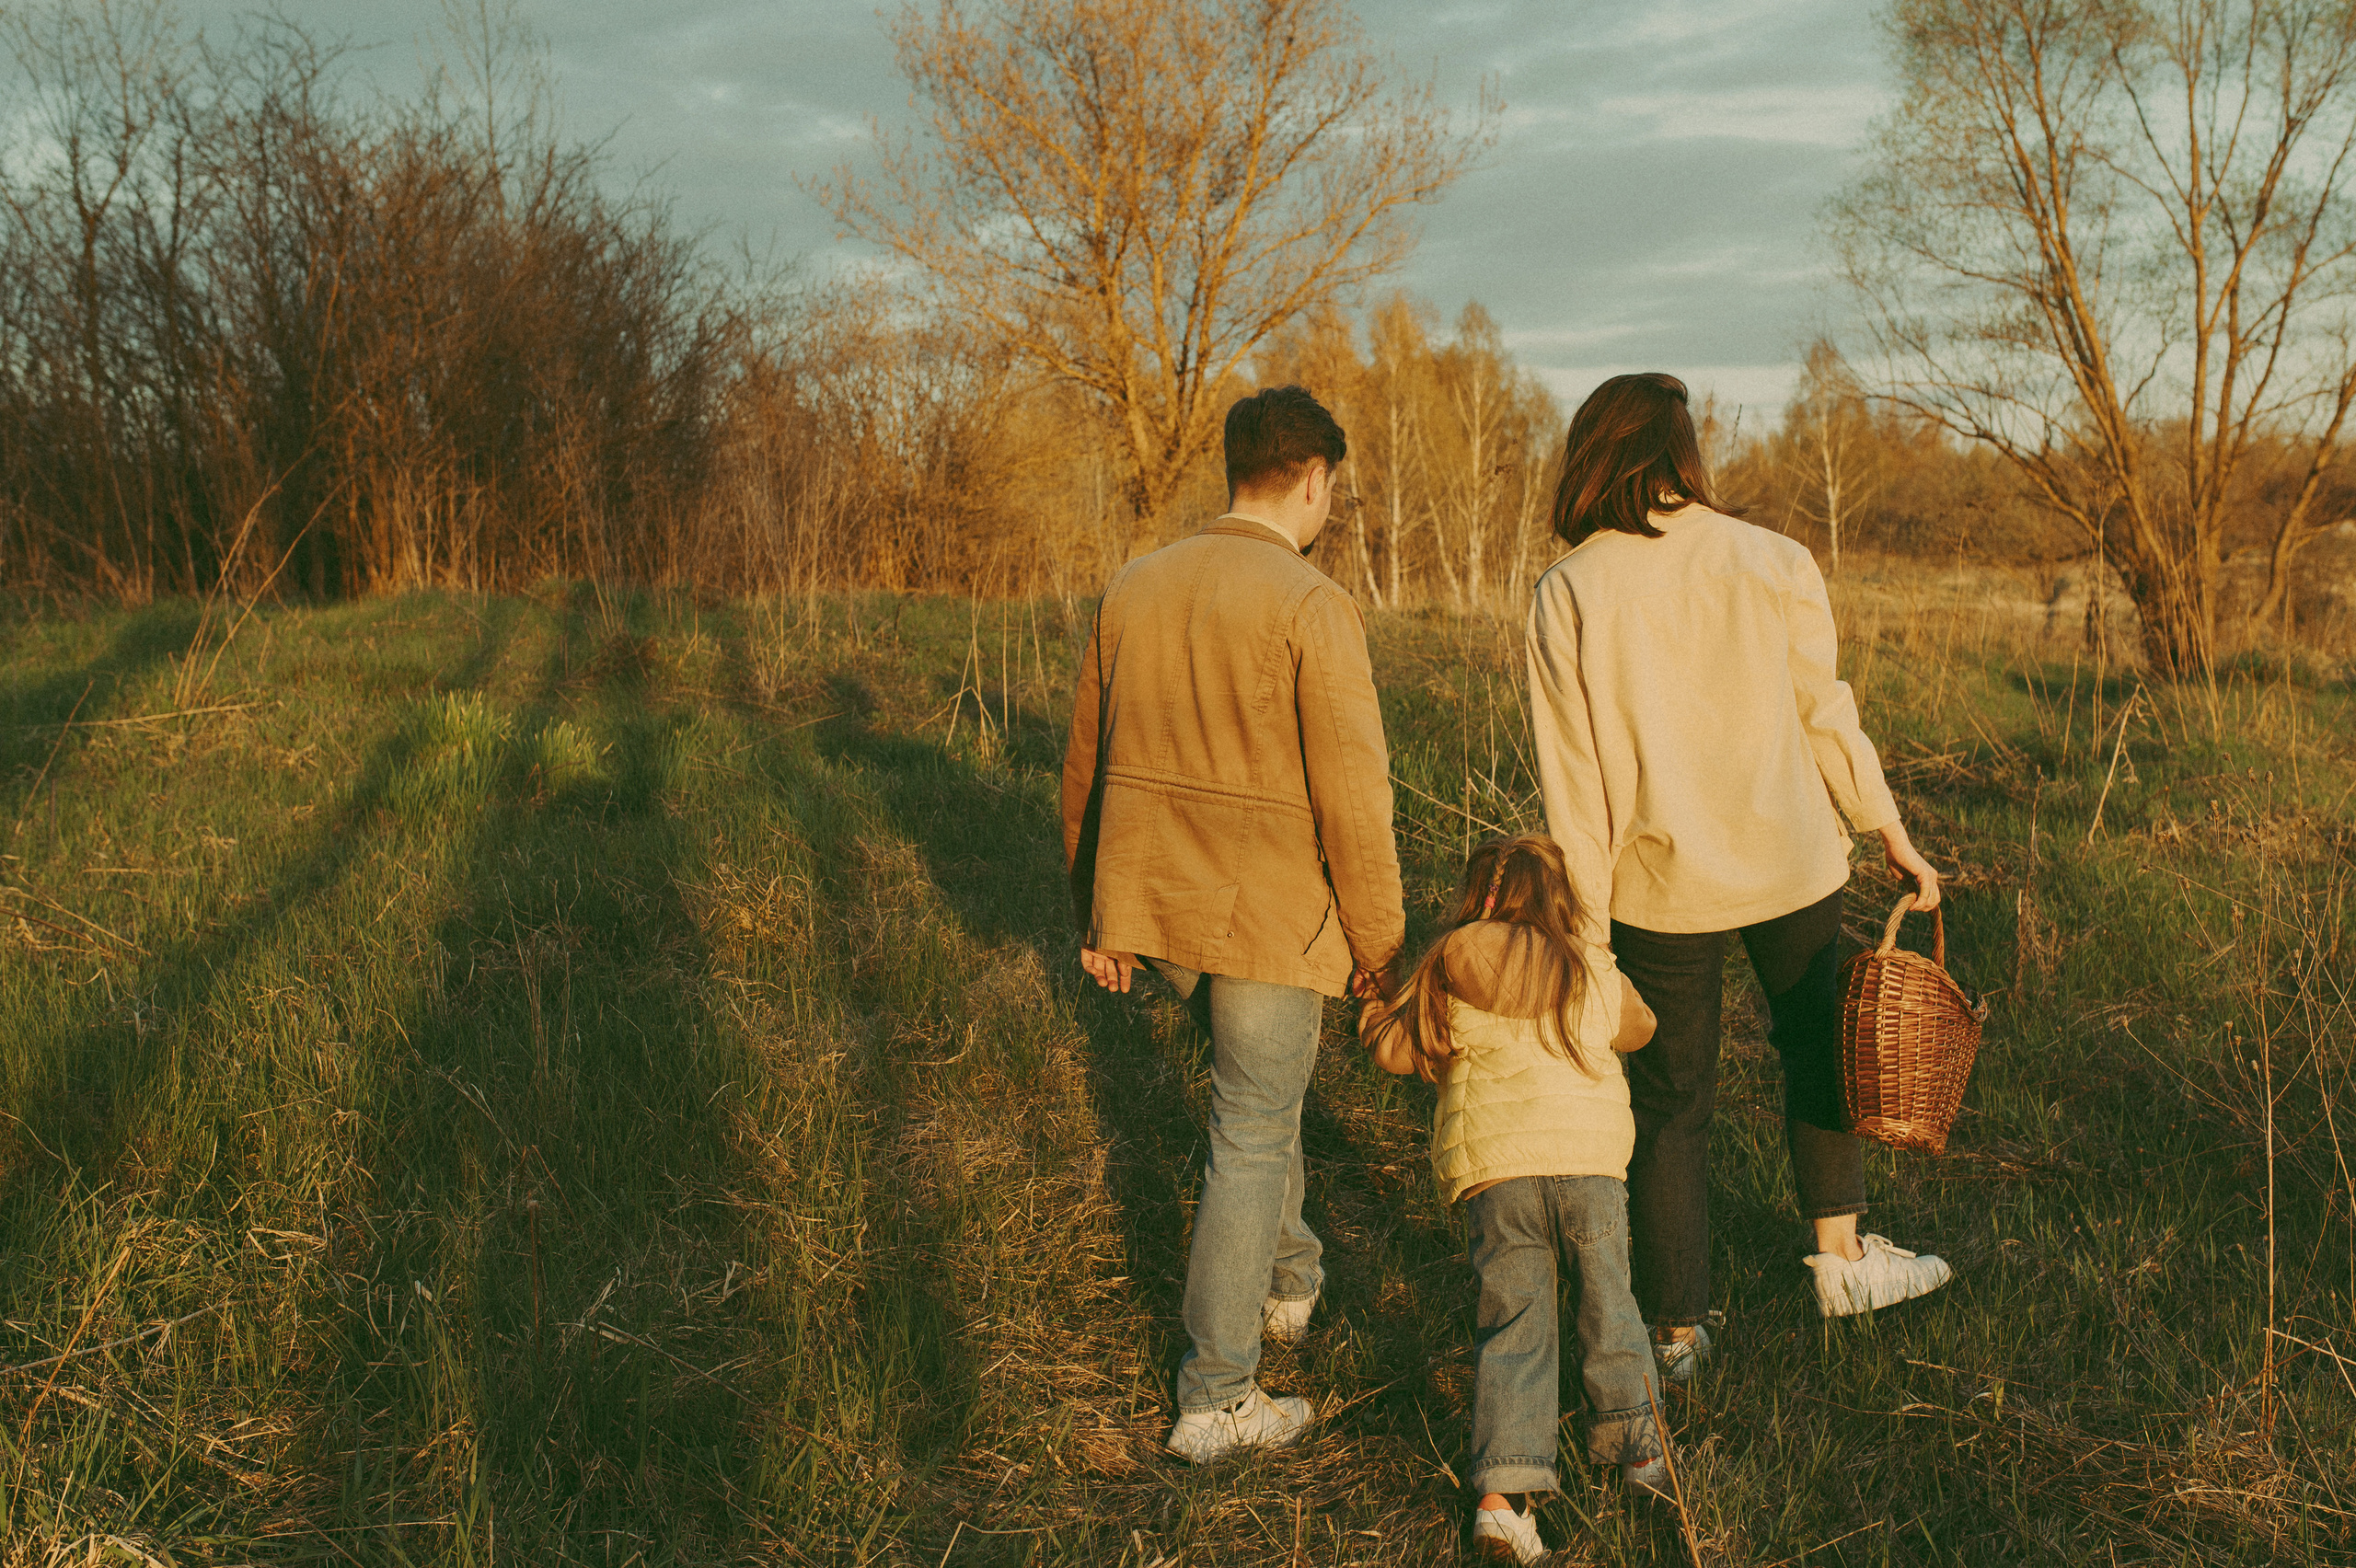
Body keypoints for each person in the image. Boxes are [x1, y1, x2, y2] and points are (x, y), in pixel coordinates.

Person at [1525, 373, 1952, 1387]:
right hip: (1792, 860)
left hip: (1654, 886)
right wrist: (1884, 825)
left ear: (1594, 455)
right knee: (1818, 1050)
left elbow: (1571, 785)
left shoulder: (1569, 590)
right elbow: (1825, 712)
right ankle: (1842, 1263)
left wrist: (1584, 933)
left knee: (1671, 1101)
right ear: (1683, 453)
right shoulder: (1773, 558)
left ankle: (1675, 1333)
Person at [1060, 385, 1406, 1463]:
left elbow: (1084, 765)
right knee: (1252, 1130)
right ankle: (1215, 1401)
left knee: (1263, 1099)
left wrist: (1095, 914)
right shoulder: (1312, 603)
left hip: (1156, 910)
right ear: (1312, 479)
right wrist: (1383, 945)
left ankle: (1289, 1283)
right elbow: (1357, 800)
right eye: (1330, 490)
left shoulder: (1136, 583)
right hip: (1262, 915)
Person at [1361, 835, 1669, 1565]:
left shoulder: (1449, 965)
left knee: (1515, 1323)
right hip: (1591, 1170)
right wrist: (1601, 959)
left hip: (1498, 1178)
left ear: (1479, 896)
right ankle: (1639, 1455)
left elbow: (1398, 1054)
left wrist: (1375, 1008)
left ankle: (1503, 1502)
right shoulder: (1589, 967)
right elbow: (1643, 1028)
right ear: (1560, 900)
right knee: (1611, 1305)